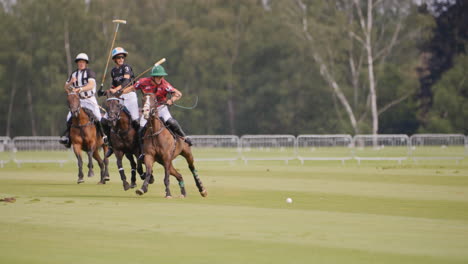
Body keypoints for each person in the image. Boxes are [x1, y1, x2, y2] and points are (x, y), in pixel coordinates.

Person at [122, 64, 192, 159]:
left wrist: (171, 100)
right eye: (158, 76)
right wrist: (121, 92)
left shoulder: (165, 84)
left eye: (161, 76)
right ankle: (142, 151)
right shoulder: (143, 82)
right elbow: (131, 88)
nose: (160, 78)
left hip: (161, 107)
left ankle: (184, 137)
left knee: (171, 121)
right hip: (148, 109)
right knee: (141, 129)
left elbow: (178, 94)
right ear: (153, 76)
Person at [99, 47, 140, 157]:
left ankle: (141, 145)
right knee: (104, 120)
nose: (121, 59)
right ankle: (111, 145)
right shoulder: (113, 71)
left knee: (136, 121)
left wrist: (116, 90)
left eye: (122, 57)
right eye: (118, 57)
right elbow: (113, 86)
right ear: (114, 59)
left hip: (130, 97)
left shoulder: (126, 67)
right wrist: (103, 92)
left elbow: (127, 81)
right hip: (119, 98)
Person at [59, 53, 107, 147]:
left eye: (83, 62)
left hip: (89, 99)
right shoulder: (73, 74)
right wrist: (71, 83)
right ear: (77, 63)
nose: (81, 63)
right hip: (78, 101)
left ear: (86, 63)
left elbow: (91, 85)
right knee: (69, 117)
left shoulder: (89, 72)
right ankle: (68, 137)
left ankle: (104, 136)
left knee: (98, 117)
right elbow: (65, 87)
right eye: (79, 62)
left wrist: (80, 89)